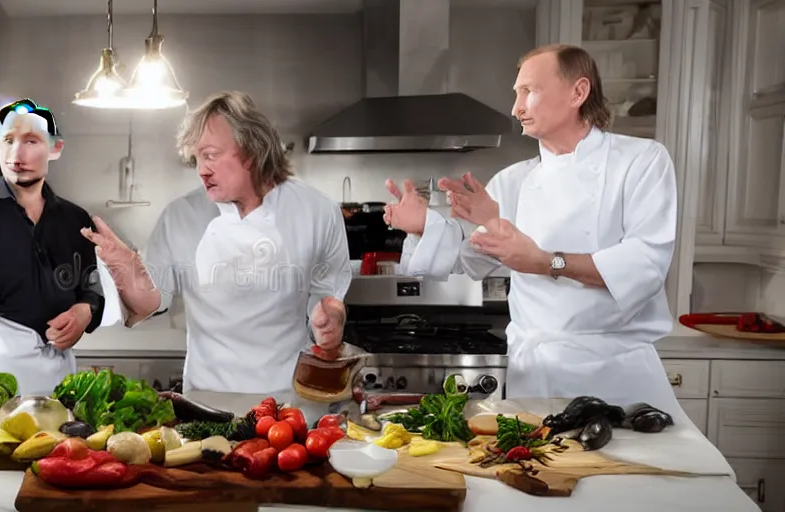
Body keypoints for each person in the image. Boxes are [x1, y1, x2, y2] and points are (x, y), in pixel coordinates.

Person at [385, 44, 683, 418]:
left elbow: (644, 266)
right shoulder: (513, 181)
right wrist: (423, 226)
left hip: (616, 376)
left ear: (578, 92)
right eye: (516, 94)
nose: (516, 108)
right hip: (536, 376)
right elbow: (470, 258)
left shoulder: (641, 162)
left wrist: (544, 262)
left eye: (529, 91)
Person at [81, 90, 351, 396]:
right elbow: (150, 303)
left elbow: (327, 296)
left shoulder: (318, 211)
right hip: (207, 401)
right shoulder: (180, 216)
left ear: (252, 150)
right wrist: (127, 267)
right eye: (197, 158)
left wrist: (330, 320)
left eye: (210, 156)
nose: (201, 170)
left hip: (289, 401)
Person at [0, 98, 105, 396]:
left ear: (55, 148)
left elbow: (95, 289)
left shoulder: (77, 219)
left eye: (31, 141)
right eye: (8, 140)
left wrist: (85, 311)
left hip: (63, 375)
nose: (15, 154)